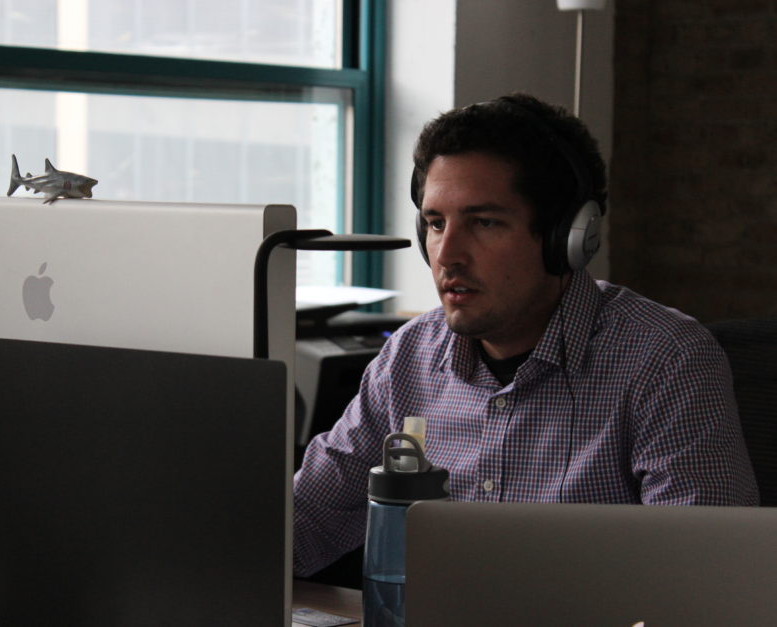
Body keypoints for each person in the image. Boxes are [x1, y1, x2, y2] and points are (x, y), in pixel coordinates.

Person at [293, 93, 759, 577]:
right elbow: (300, 524)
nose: (447, 254)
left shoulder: (665, 360)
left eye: (484, 222)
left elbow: (707, 579)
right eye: (435, 223)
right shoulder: (407, 357)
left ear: (568, 237)